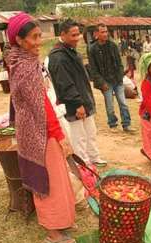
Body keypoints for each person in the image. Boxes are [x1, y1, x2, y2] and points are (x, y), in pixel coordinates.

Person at [6, 13, 76, 243]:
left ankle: (62, 220)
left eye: (40, 36)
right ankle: (53, 232)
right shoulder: (25, 66)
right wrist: (59, 135)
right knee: (48, 182)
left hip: (36, 130)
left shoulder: (19, 61)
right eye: (34, 37)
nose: (38, 42)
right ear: (19, 40)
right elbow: (42, 106)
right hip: (39, 133)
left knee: (56, 178)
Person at [48, 19, 107, 167]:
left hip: (84, 99)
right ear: (63, 34)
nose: (77, 38)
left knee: (90, 132)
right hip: (74, 104)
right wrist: (77, 104)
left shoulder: (71, 50)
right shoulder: (58, 56)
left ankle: (94, 157)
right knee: (79, 137)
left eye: (78, 34)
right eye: (73, 35)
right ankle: (83, 164)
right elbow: (65, 84)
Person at [89, 23, 133, 132]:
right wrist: (101, 83)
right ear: (96, 34)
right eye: (102, 32)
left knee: (123, 103)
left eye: (106, 31)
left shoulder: (112, 46)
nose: (105, 34)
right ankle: (113, 124)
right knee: (109, 105)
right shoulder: (93, 49)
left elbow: (119, 63)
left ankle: (126, 124)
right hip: (105, 81)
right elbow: (93, 69)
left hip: (117, 80)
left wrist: (120, 77)